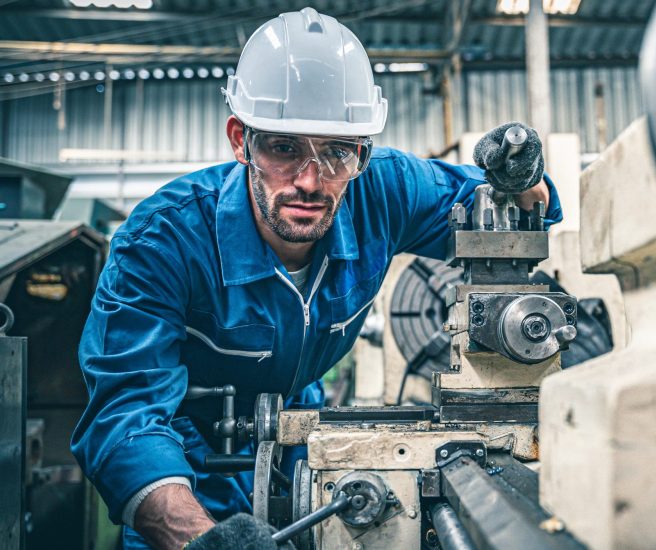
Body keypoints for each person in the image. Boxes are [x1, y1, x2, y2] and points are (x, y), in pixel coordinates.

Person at [70, 7, 560, 550]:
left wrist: (522, 178)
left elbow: (508, 205)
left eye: (336, 153)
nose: (310, 180)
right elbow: (124, 414)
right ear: (241, 140)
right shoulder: (164, 239)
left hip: (305, 447)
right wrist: (200, 538)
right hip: (187, 469)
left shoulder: (383, 189)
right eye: (283, 148)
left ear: (361, 153)